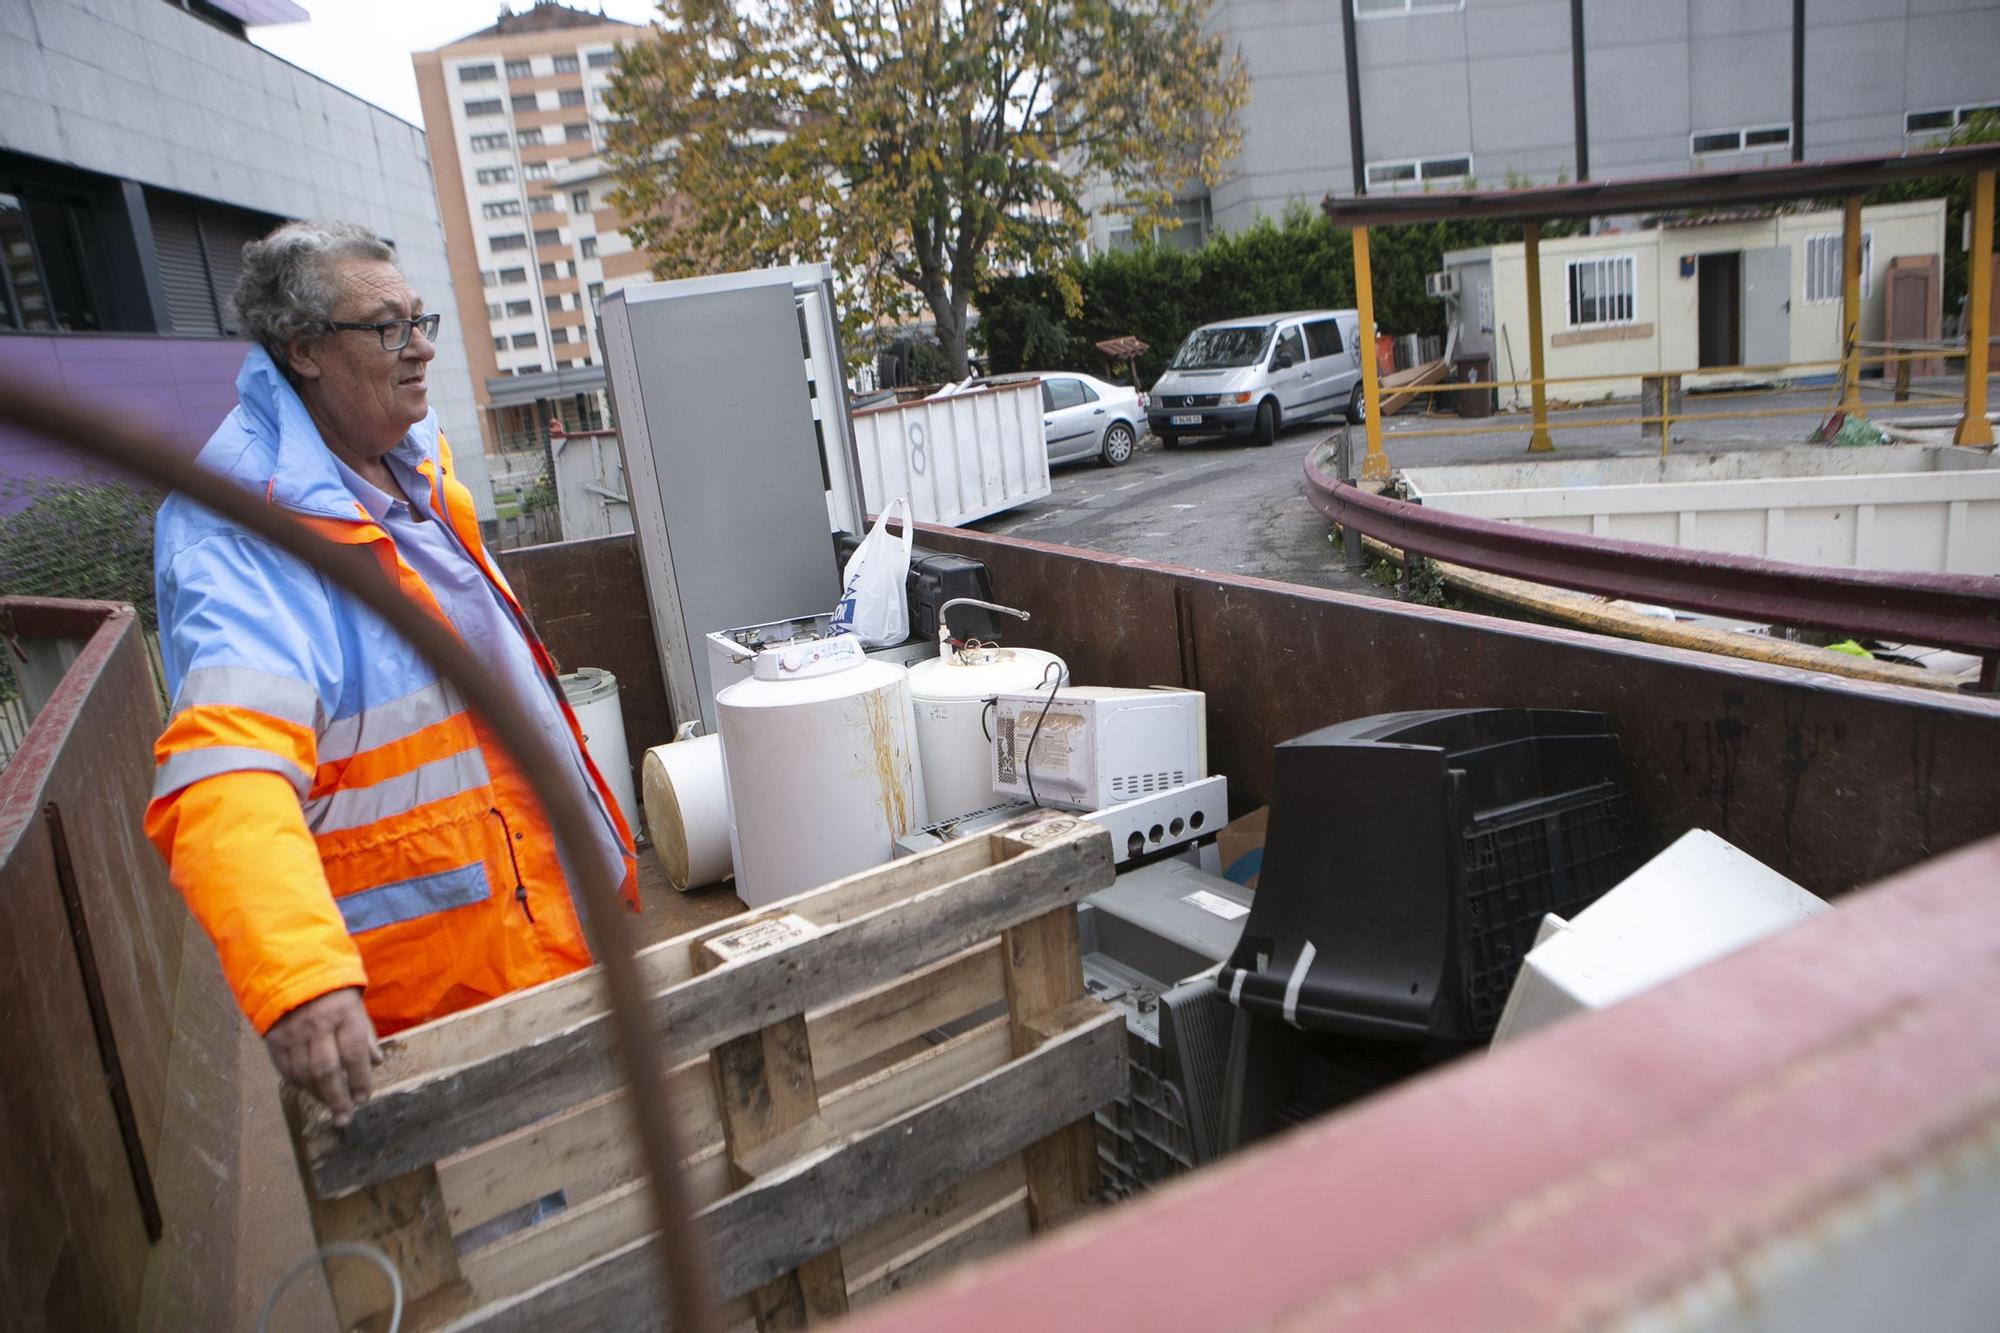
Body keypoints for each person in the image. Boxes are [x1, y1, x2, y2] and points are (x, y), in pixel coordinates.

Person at [145, 220, 635, 1127]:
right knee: (513, 1227)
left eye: (422, 320)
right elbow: (226, 769)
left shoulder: (406, 451)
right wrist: (296, 974)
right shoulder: (243, 529)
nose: (419, 350)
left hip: (531, 919)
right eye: (386, 328)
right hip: (430, 991)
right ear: (303, 351)